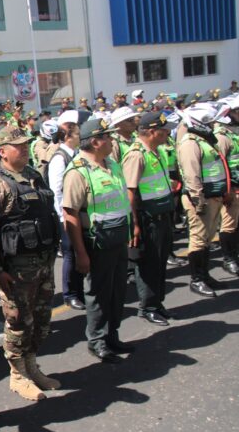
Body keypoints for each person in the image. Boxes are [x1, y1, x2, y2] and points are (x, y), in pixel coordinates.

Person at [0, 127, 60, 401]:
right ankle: (18, 374)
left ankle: (32, 366)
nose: (24, 149)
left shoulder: (33, 176)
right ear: (2, 151)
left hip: (43, 263)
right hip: (17, 270)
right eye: (18, 146)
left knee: (41, 321)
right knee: (18, 323)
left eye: (26, 145)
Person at [63, 118, 133, 364]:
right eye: (108, 137)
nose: (112, 140)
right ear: (95, 141)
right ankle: (97, 341)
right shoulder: (78, 171)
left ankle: (112, 335)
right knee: (98, 294)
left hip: (117, 238)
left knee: (117, 291)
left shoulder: (111, 164)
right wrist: (81, 253)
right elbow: (70, 215)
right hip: (97, 243)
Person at [121, 112, 178, 327]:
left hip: (162, 215)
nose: (168, 133)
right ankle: (147, 307)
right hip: (148, 218)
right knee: (149, 265)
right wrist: (135, 224)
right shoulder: (136, 155)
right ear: (152, 131)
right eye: (163, 130)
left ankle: (157, 303)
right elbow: (131, 192)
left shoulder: (156, 151)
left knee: (160, 262)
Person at [178, 103, 230, 297]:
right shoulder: (190, 143)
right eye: (208, 122)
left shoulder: (205, 140)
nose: (212, 125)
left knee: (207, 239)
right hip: (201, 199)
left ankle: (205, 276)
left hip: (213, 196)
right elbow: (192, 176)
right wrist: (198, 200)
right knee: (198, 240)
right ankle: (197, 279)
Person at [47, 113, 86, 311]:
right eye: (77, 133)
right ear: (68, 136)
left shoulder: (76, 154)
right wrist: (63, 217)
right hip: (65, 215)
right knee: (70, 253)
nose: (80, 136)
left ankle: (79, 291)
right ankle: (70, 293)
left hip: (78, 212)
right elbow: (56, 191)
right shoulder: (59, 158)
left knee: (80, 252)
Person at [213, 97, 239, 276]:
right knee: (229, 225)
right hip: (233, 188)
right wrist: (227, 190)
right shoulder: (222, 136)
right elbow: (220, 166)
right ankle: (228, 258)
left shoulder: (235, 133)